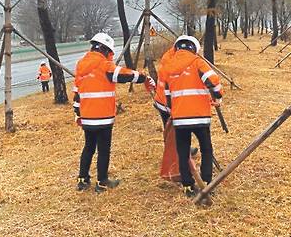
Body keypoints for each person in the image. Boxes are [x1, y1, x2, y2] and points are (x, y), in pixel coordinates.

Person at [73, 32, 154, 193]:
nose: (110, 56)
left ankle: (82, 180)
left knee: (88, 147)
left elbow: (76, 91)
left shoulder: (81, 65)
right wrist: (143, 77)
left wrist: (77, 113)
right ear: (104, 49)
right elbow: (124, 75)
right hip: (103, 117)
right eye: (109, 52)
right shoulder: (104, 65)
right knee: (103, 149)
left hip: (87, 117)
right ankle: (102, 182)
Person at [158, 35, 223, 198]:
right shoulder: (197, 62)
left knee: (183, 152)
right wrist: (218, 96)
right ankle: (207, 183)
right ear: (194, 49)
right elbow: (213, 80)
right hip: (201, 117)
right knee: (206, 149)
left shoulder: (168, 67)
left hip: (180, 119)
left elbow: (167, 95)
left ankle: (187, 186)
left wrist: (175, 110)